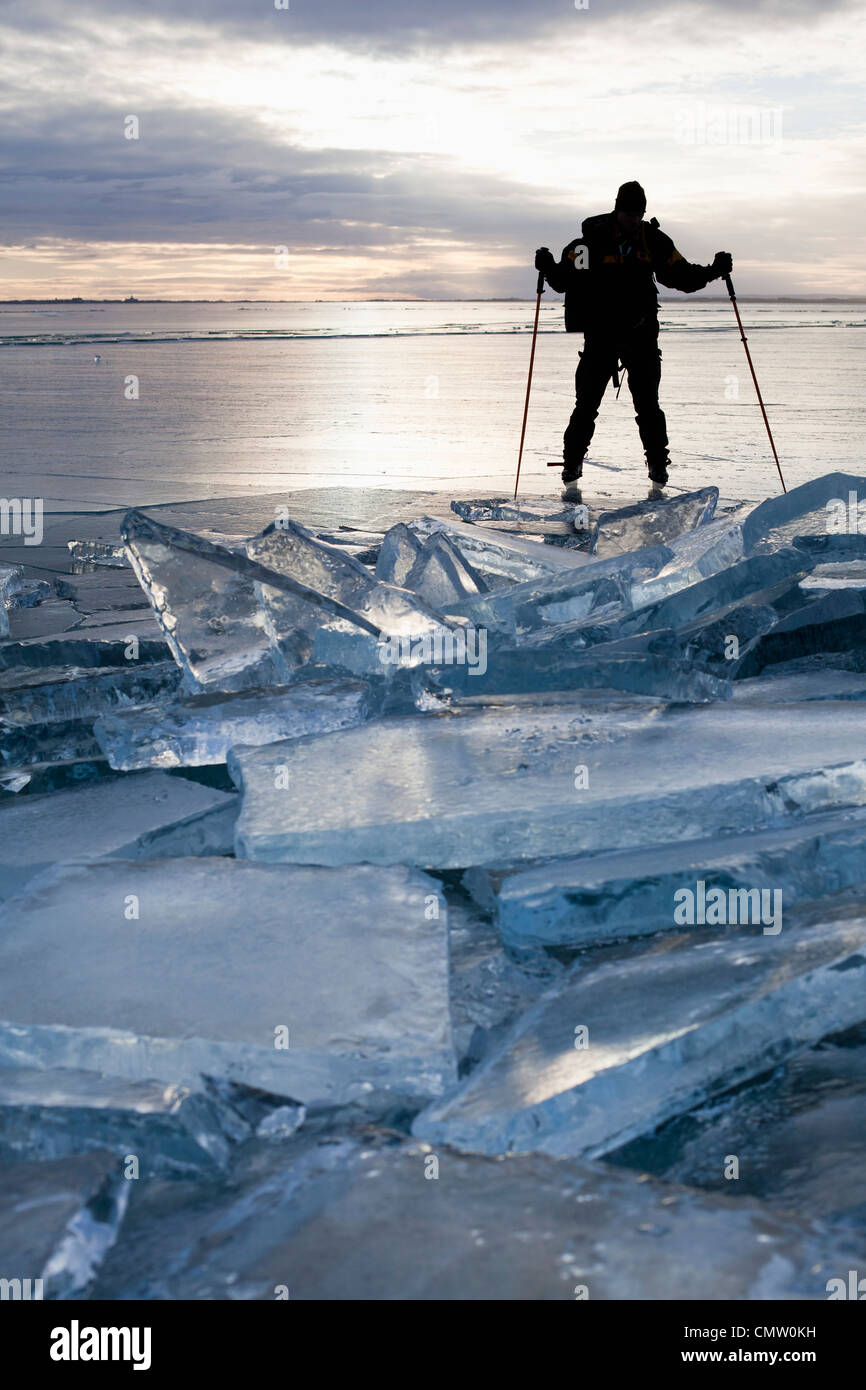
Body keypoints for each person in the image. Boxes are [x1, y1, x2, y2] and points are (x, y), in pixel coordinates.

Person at [535, 181, 732, 500]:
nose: (633, 218)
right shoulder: (591, 241)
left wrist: (713, 270)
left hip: (641, 336)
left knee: (648, 406)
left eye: (638, 213)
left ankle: (658, 465)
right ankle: (572, 464)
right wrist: (548, 267)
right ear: (617, 209)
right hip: (600, 335)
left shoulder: (652, 240)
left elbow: (682, 277)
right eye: (628, 212)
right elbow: (566, 280)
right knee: (586, 405)